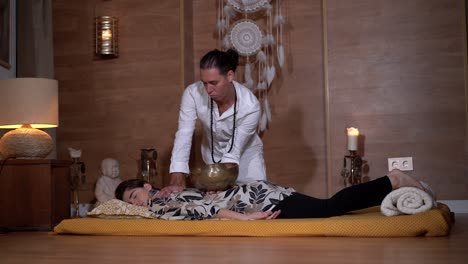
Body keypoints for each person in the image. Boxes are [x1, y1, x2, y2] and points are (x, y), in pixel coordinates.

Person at [114, 169, 428, 220]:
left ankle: (392, 180)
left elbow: (203, 211)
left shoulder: (162, 201)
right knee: (326, 207)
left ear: (145, 186)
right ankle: (391, 183)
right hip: (254, 194)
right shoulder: (163, 201)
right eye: (129, 203)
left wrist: (245, 218)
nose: (135, 203)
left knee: (328, 209)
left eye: (133, 196)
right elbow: (201, 207)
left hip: (258, 199)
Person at [168, 49, 266, 191]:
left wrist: (221, 182)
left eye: (214, 83)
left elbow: (234, 151)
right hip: (212, 159)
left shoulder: (251, 106)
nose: (208, 90)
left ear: (230, 76)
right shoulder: (192, 93)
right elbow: (184, 132)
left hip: (247, 160)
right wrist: (177, 170)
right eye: (204, 83)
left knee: (256, 202)